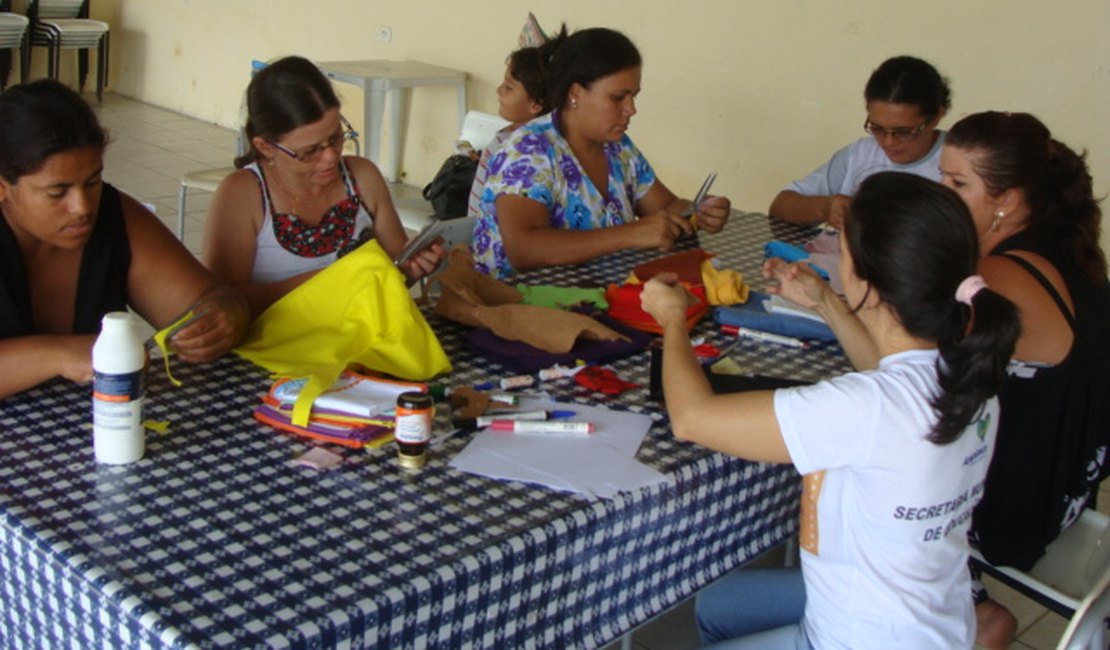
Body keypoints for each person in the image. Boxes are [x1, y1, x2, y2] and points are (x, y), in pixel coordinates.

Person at [641, 172, 1021, 648]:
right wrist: (826, 302)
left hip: (856, 638)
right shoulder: (971, 373)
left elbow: (692, 419)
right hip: (931, 620)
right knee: (720, 604)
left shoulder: (864, 408)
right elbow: (886, 372)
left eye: (839, 254)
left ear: (866, 278)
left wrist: (673, 321)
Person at [940, 111, 1110, 649]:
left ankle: (970, 609)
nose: (941, 194)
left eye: (957, 184)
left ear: (1007, 200)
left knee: (880, 456)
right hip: (1074, 482)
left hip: (1017, 510)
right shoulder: (1069, 249)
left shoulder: (994, 276)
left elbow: (915, 365)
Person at [0, 80, 249, 399]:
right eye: (57, 192)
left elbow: (207, 301)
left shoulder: (113, 217)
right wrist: (58, 355)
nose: (82, 208)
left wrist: (224, 318)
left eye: (92, 182)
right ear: (4, 187)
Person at [470, 27, 731, 279]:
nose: (631, 109)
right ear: (575, 94)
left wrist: (698, 211)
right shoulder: (528, 151)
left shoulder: (618, 148)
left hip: (596, 298)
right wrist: (630, 234)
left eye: (634, 97)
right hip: (519, 307)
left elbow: (665, 209)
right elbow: (524, 249)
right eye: (619, 97)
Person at [204, 56, 444, 317]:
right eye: (310, 151)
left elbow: (396, 269)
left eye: (336, 138)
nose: (331, 157)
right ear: (266, 147)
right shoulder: (243, 194)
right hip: (278, 343)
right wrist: (335, 280)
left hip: (361, 336)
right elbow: (223, 303)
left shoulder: (362, 178)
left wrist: (413, 266)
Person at [769, 55, 950, 229]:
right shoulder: (860, 156)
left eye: (903, 132)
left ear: (936, 117)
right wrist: (826, 207)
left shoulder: (959, 163)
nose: (888, 142)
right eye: (877, 128)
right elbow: (781, 206)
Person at [466, 28, 567, 220]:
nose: (499, 90)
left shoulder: (505, 147)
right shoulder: (502, 140)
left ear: (536, 104)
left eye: (509, 87)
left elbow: (478, 215)